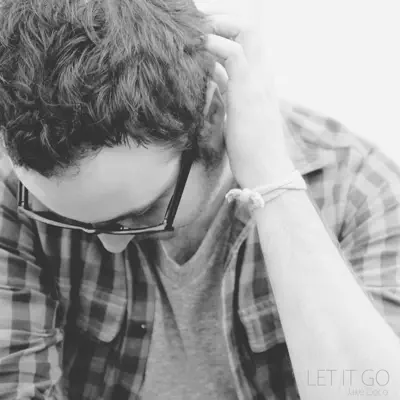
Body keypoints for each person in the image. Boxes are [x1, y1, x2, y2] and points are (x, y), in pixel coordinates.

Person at [0, 1, 400, 399]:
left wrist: (273, 182)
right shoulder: (14, 192)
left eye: (143, 213)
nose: (110, 244)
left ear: (210, 117)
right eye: (64, 217)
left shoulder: (361, 194)